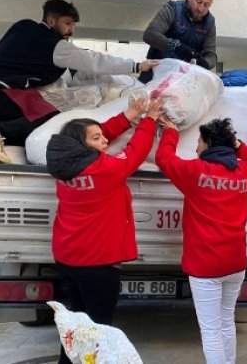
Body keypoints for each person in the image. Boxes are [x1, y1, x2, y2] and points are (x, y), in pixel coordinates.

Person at [0, 0, 159, 163]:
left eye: (73, 24)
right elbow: (93, 61)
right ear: (51, 21)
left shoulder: (23, 26)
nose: (71, 30)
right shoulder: (53, 45)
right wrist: (136, 66)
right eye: (67, 23)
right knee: (48, 116)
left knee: (28, 126)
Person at [45, 97, 166, 364]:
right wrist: (148, 120)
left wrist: (126, 117)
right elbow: (136, 151)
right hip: (98, 264)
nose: (105, 141)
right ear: (83, 145)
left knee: (76, 321)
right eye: (98, 138)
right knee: (99, 328)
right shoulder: (106, 169)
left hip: (67, 257)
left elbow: (95, 137)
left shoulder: (62, 168)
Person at [155, 116, 247, 364]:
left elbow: (164, 159)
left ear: (209, 143)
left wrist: (170, 131)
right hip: (235, 263)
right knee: (227, 323)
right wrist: (237, 145)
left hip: (204, 266)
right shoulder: (245, 172)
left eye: (199, 141)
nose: (196, 147)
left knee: (211, 330)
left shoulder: (194, 172)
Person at [139, 0, 217, 83]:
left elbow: (211, 56)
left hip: (184, 79)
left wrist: (203, 63)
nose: (201, 8)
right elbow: (150, 34)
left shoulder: (210, 23)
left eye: (206, 5)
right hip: (156, 73)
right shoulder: (172, 9)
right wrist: (175, 45)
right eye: (198, 1)